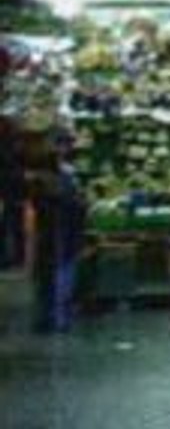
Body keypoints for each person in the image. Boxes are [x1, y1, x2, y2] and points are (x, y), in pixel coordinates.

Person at [26, 124, 87, 332]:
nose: (65, 149)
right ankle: (57, 317)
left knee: (51, 274)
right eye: (64, 144)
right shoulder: (55, 174)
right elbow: (68, 201)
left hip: (54, 230)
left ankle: (51, 316)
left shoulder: (52, 171)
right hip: (59, 229)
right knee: (60, 273)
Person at [0, 117, 26, 269]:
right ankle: (16, 258)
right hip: (14, 192)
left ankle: (11, 259)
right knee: (14, 226)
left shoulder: (12, 146)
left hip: (10, 192)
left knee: (9, 226)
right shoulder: (17, 145)